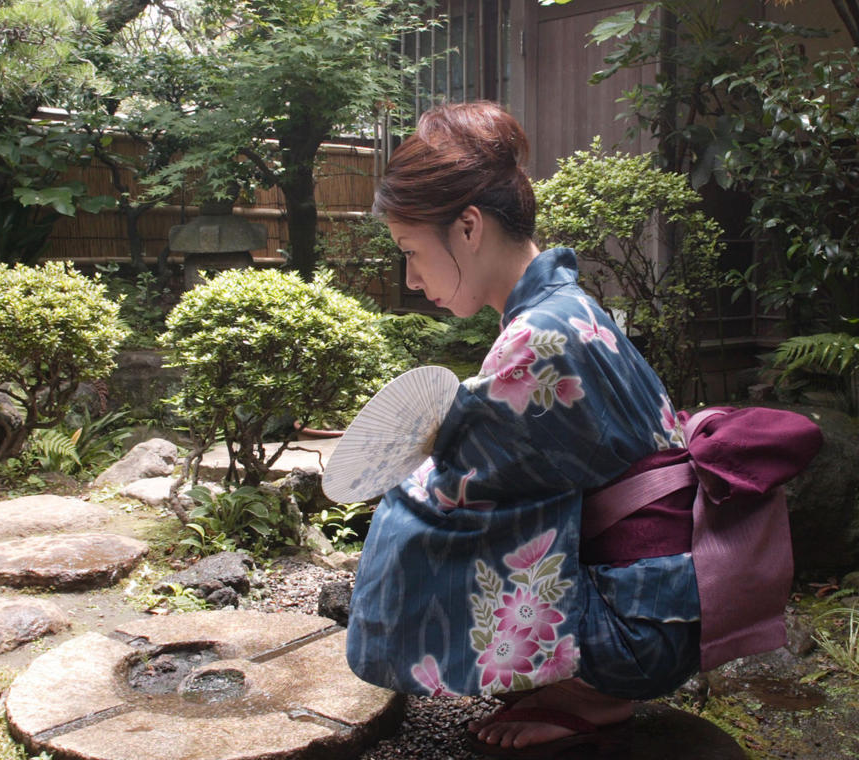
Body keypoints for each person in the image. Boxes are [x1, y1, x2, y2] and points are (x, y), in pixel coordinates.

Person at [346, 101, 821, 757]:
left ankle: (596, 693)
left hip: (639, 633)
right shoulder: (567, 303)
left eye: (411, 252)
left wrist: (402, 486)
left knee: (414, 530)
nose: (412, 277)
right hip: (663, 602)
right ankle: (584, 680)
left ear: (468, 227)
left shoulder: (536, 338)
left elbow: (458, 493)